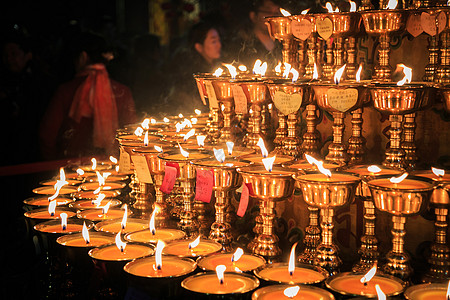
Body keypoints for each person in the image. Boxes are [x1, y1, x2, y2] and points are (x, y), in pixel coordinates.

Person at [39, 32, 136, 160]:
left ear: (83, 57)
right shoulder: (122, 91)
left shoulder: (66, 90)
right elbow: (132, 134)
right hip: (113, 165)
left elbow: (47, 136)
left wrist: (53, 165)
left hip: (71, 167)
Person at [0, 30, 55, 165]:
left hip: (34, 153)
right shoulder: (6, 82)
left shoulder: (41, 83)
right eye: (5, 55)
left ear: (28, 55)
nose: (9, 59)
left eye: (14, 54)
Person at [165, 21, 223, 114]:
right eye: (213, 41)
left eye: (219, 40)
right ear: (199, 47)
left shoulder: (219, 67)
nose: (219, 45)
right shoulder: (193, 73)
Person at [229, 0, 282, 68]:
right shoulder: (242, 47)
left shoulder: (283, 45)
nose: (273, 17)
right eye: (267, 12)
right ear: (253, 16)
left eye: (276, 13)